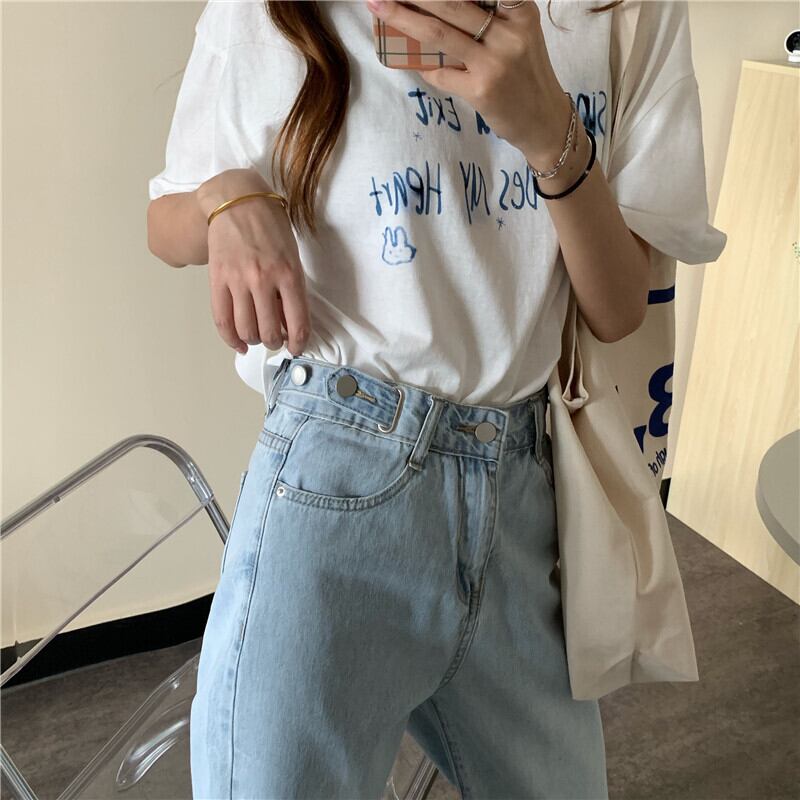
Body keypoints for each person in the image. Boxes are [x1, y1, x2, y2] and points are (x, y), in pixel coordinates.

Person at [146, 1, 726, 798]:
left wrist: (548, 131)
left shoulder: (627, 10)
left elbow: (620, 306)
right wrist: (230, 199)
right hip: (339, 479)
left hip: (522, 490)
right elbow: (166, 218)